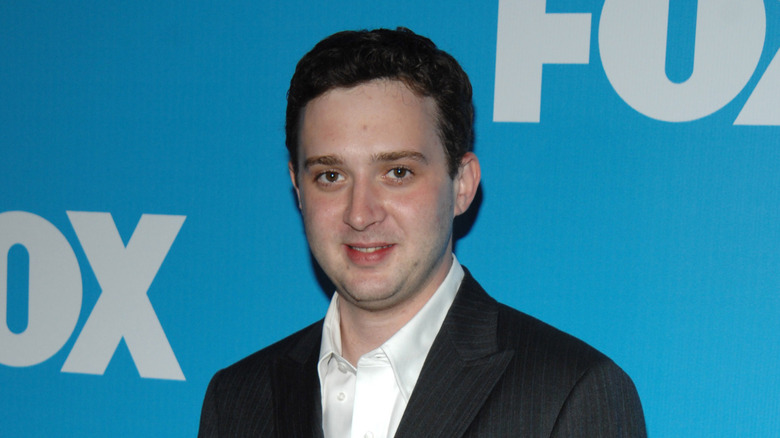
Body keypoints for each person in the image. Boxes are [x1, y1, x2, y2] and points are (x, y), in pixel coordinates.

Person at [198, 27, 646, 438]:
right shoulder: (237, 399)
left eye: (397, 172)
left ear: (462, 185)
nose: (360, 213)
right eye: (331, 176)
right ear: (298, 188)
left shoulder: (568, 394)